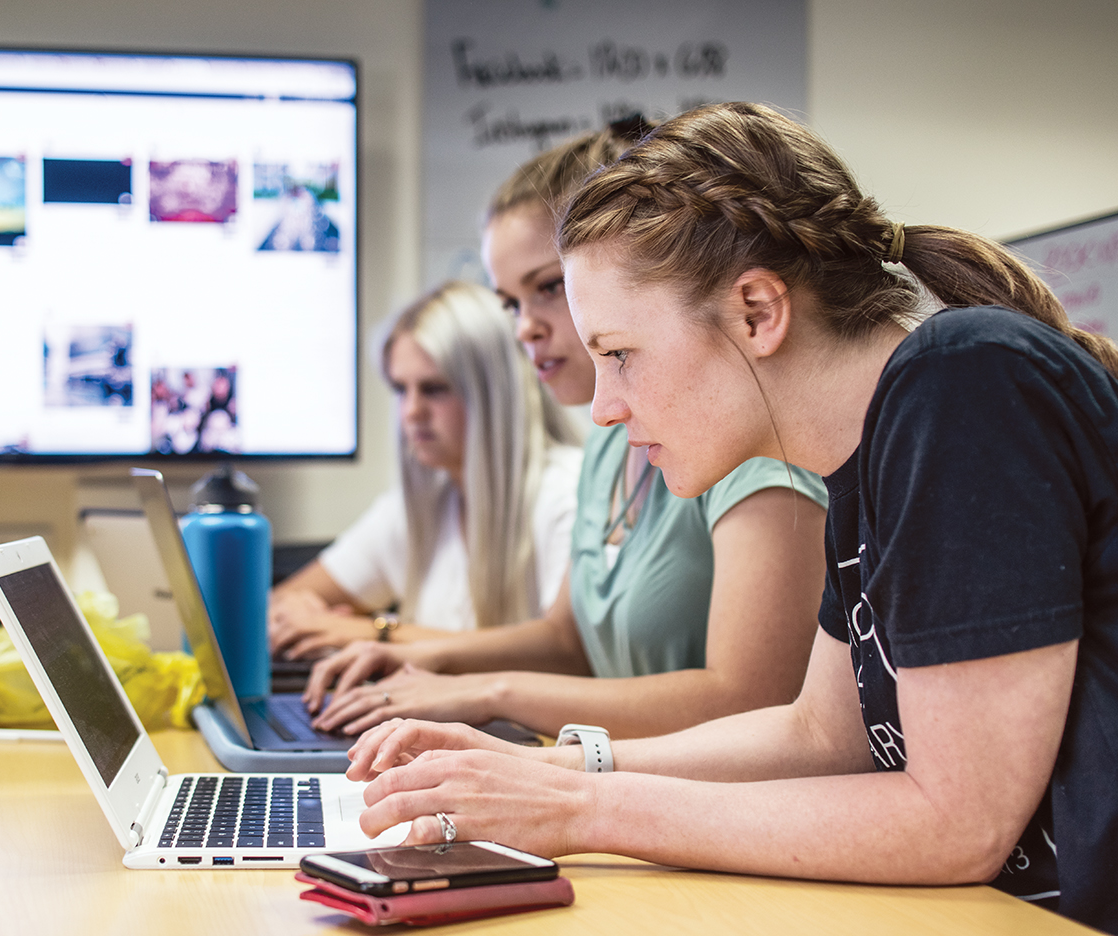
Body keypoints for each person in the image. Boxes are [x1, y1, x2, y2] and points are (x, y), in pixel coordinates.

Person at [343, 102, 1118, 934]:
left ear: (757, 311)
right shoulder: (865, 455)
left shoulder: (962, 385)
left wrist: (582, 808)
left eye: (620, 355)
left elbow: (955, 823)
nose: (603, 406)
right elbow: (821, 734)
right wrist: (563, 766)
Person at [302, 119, 830, 740]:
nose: (526, 328)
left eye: (550, 288)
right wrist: (428, 663)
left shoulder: (749, 447)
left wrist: (486, 690)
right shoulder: (610, 435)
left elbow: (751, 702)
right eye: (510, 303)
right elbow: (567, 641)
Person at [269, 280, 583, 657]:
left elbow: (560, 654)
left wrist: (372, 633)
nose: (411, 412)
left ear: (493, 392)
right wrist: (309, 617)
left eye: (434, 389)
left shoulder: (568, 492)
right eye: (401, 389)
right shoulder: (425, 502)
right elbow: (280, 606)